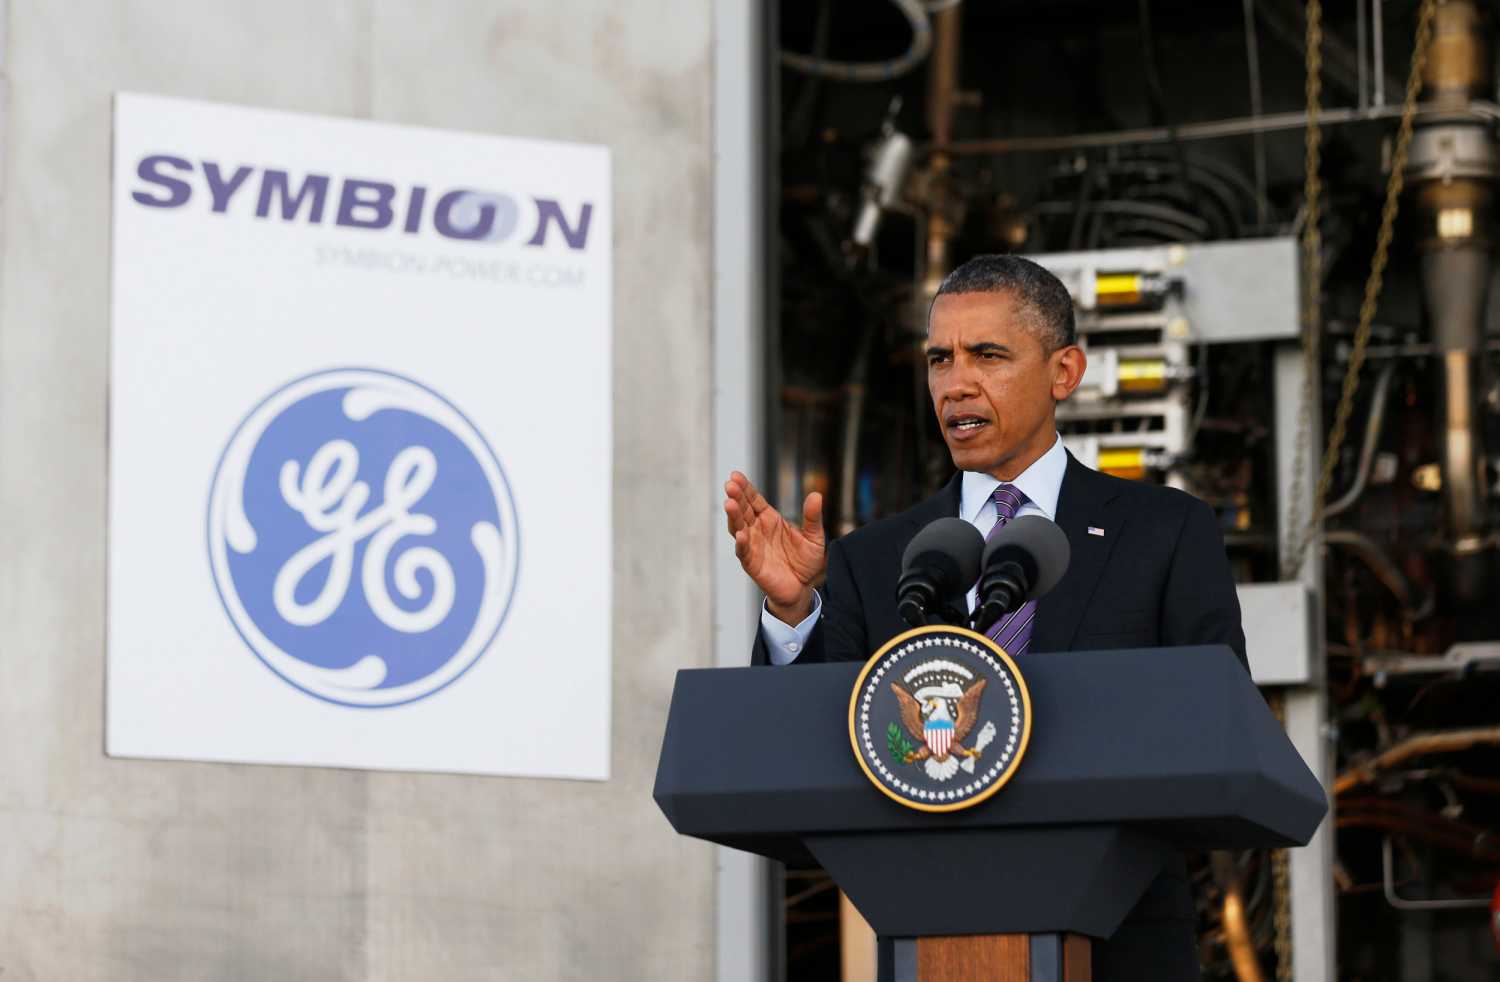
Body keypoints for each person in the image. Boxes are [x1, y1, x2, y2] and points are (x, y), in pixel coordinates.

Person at [723, 254, 1246, 982]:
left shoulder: (1164, 532)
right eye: (940, 359)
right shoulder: (872, 560)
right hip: (932, 948)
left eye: (987, 355)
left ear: (1064, 372)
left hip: (1122, 953)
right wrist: (792, 610)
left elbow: (1216, 734)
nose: (956, 383)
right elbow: (795, 766)